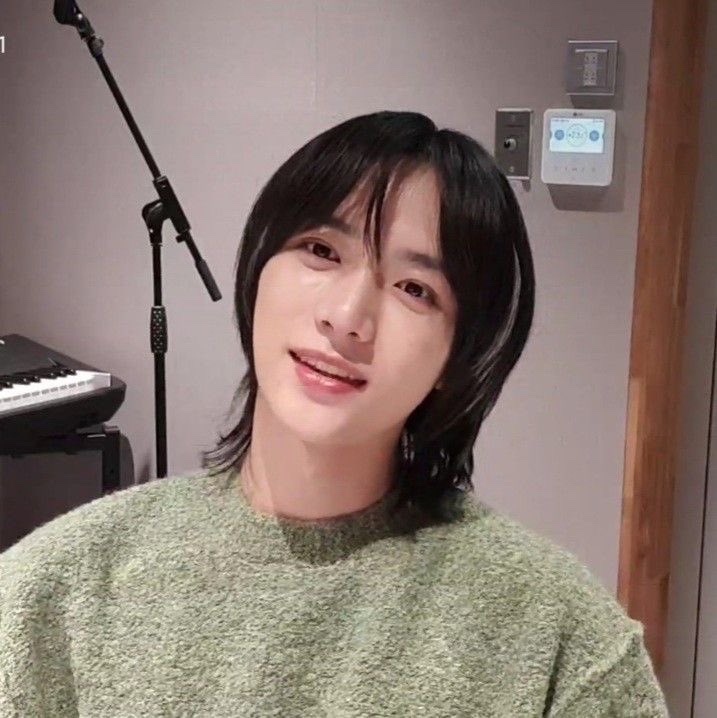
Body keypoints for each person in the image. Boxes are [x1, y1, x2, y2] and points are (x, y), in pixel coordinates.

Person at [0, 110, 669, 716]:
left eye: (415, 289)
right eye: (322, 251)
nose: (347, 318)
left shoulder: (558, 635)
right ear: (259, 267)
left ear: (458, 356)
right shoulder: (52, 592)